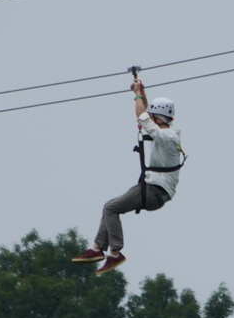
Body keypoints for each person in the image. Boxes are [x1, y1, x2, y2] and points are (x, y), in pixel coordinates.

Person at [72, 79, 184, 274]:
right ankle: (97, 249)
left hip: (153, 191)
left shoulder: (167, 137)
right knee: (109, 206)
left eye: (154, 115)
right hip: (152, 188)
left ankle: (115, 253)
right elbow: (145, 113)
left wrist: (138, 96)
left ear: (160, 118)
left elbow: (142, 116)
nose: (151, 117)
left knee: (111, 208)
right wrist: (140, 91)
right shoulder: (166, 132)